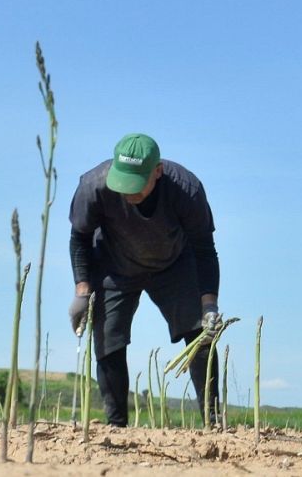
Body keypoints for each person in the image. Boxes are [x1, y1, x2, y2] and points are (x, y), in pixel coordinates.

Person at [68, 133, 223, 427]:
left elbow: (204, 249)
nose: (128, 193)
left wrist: (209, 305)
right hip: (115, 265)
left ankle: (213, 421)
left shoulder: (186, 190)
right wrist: (82, 291)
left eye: (136, 185)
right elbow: (80, 238)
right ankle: (117, 426)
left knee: (199, 335)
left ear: (158, 171)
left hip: (175, 264)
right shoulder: (93, 186)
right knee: (108, 337)